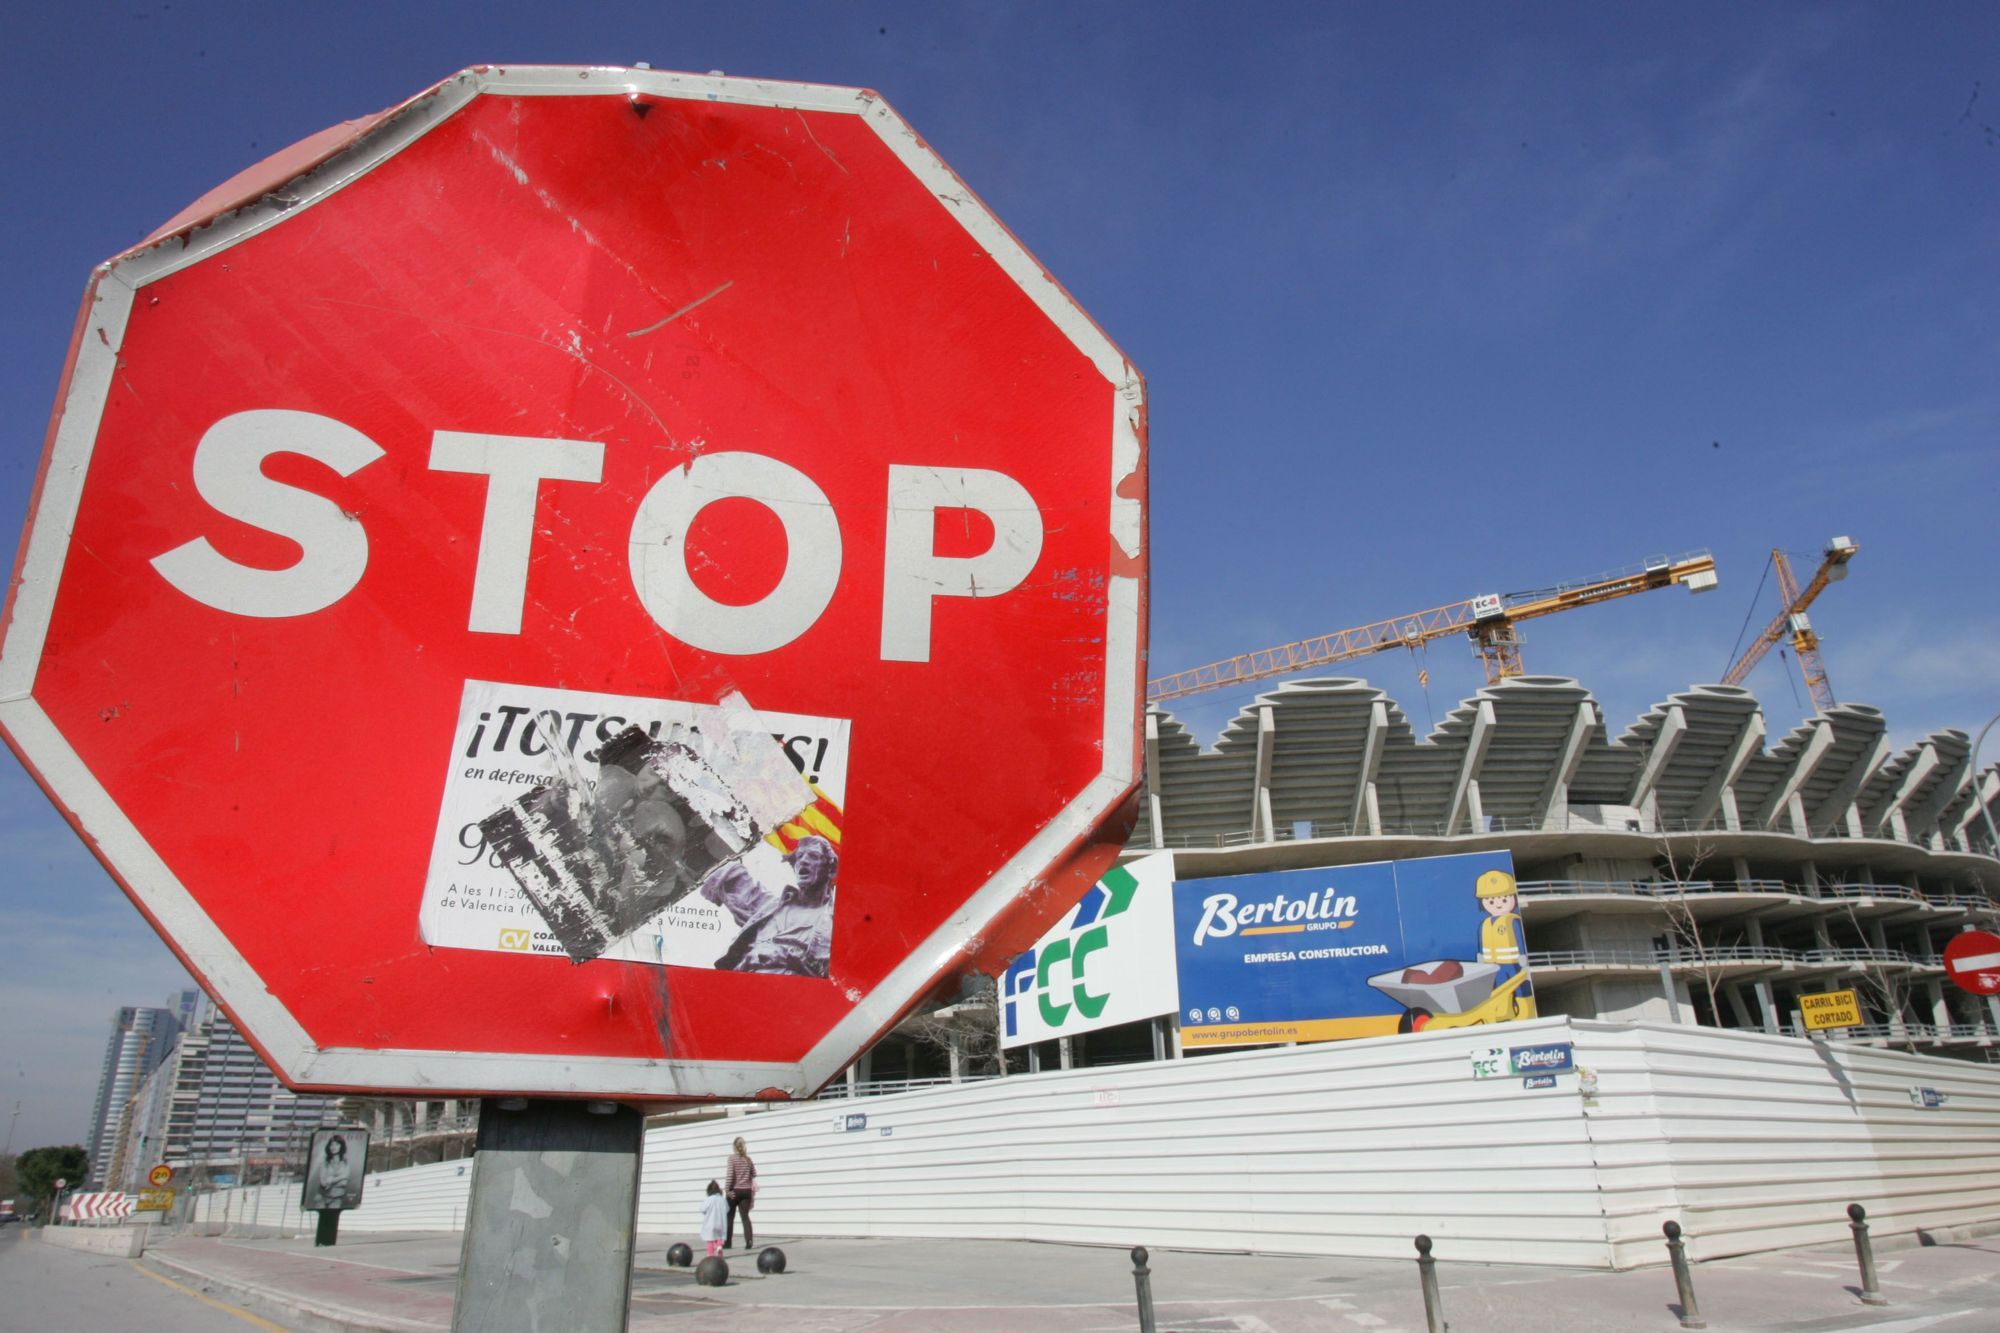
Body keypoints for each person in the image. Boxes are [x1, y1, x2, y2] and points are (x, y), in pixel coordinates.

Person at [700, 834, 837, 977]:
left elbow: (829, 982)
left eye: (813, 856)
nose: (803, 861)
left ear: (831, 870)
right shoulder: (769, 906)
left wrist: (786, 957)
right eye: (799, 856)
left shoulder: (831, 925)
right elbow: (730, 878)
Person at [1474, 868, 1537, 1018]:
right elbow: (1481, 942)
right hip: (1493, 965)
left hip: (1513, 963)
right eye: (1491, 900)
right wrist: (1481, 957)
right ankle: (1504, 1011)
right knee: (1500, 988)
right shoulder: (1485, 924)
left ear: (1513, 898)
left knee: (1521, 986)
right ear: (1483, 902)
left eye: (1504, 899)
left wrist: (1523, 957)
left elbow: (1519, 938)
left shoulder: (1512, 920)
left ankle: (1525, 1010)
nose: (1498, 904)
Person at [723, 1137, 757, 1249]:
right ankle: (749, 1241)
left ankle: (728, 1242)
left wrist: (727, 1190)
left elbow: (730, 1175)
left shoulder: (732, 1159)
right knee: (745, 1217)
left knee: (729, 1217)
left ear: (734, 1147)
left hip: (735, 1191)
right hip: (746, 1191)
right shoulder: (748, 1159)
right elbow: (754, 1173)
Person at [699, 1180, 727, 1258]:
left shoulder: (708, 1199)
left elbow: (702, 1209)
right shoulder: (722, 1200)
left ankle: (710, 1255)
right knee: (719, 1237)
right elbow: (727, 1209)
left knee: (710, 1239)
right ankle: (719, 1247)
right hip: (721, 1223)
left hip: (710, 1223)